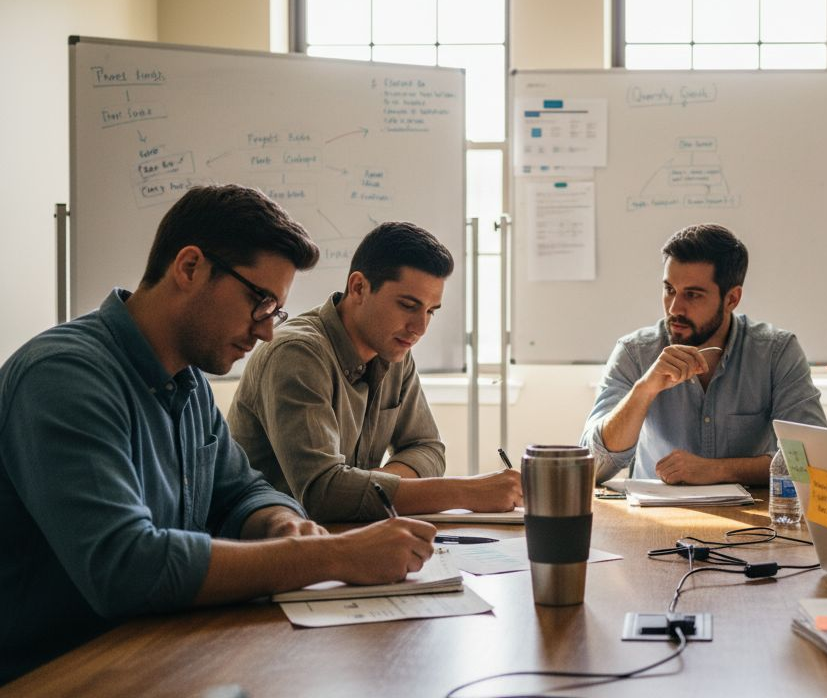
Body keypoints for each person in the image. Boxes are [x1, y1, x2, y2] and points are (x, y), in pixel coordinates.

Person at [0, 185, 437, 684]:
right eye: (261, 301)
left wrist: (281, 523)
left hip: (152, 650)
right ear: (189, 267)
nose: (267, 330)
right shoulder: (64, 377)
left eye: (276, 311)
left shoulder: (187, 383)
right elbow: (126, 567)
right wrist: (329, 555)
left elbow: (241, 492)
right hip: (55, 673)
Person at [229, 222, 521, 523]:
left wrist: (361, 485)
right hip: (274, 549)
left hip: (342, 536)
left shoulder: (394, 351)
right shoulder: (296, 353)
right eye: (408, 305)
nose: (420, 328)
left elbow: (428, 449)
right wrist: (467, 492)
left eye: (431, 311)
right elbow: (323, 494)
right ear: (358, 287)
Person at [580, 224, 826, 485]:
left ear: (732, 299)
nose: (675, 308)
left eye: (693, 295)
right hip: (653, 519)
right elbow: (592, 467)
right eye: (669, 290)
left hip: (750, 519)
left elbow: (811, 461)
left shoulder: (776, 352)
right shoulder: (635, 352)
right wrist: (643, 391)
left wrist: (717, 470)